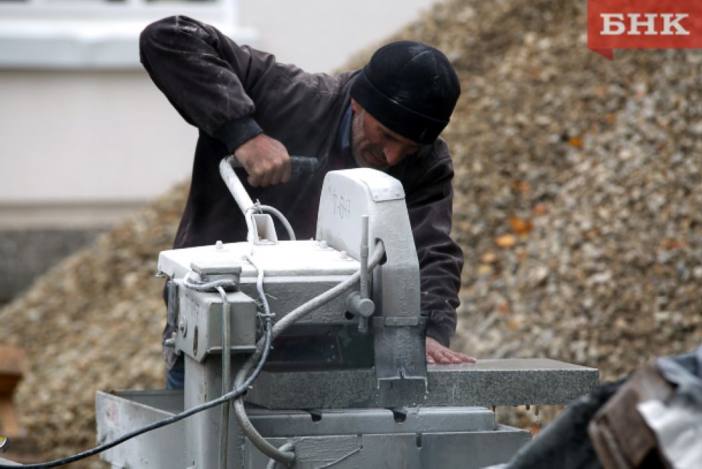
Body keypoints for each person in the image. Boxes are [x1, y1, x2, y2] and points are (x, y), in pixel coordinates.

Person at [139, 16, 474, 388]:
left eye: (410, 148)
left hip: (332, 353)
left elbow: (430, 251)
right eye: (387, 135)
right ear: (358, 104)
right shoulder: (287, 95)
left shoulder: (426, 165)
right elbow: (168, 37)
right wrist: (243, 134)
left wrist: (428, 332)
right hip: (217, 341)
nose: (393, 158)